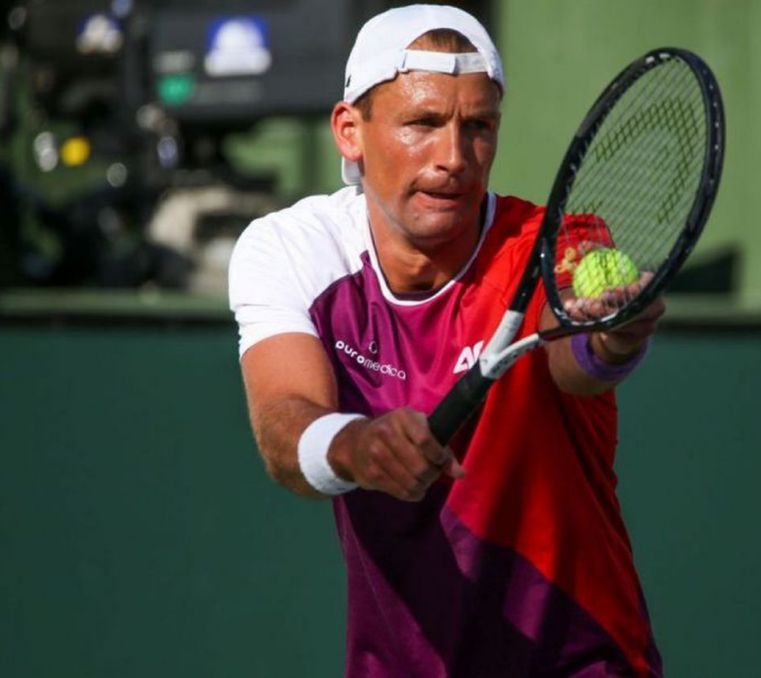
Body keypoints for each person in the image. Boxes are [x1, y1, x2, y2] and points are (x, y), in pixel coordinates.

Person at [230, 5, 666, 676]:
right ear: (350, 131)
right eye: (423, 124)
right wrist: (355, 445)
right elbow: (284, 427)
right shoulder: (292, 251)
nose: (454, 158)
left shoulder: (558, 243)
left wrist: (609, 340)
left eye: (478, 127)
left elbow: (574, 356)